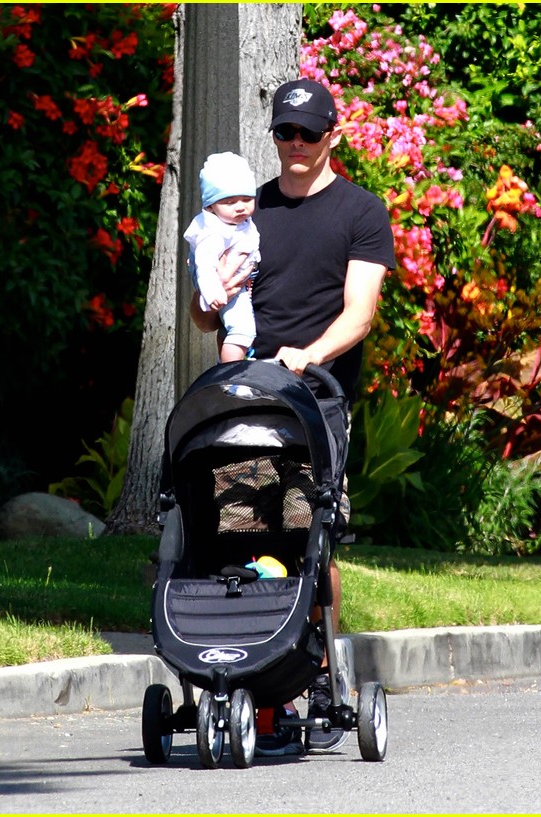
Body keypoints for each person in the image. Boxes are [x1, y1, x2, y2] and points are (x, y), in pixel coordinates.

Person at [190, 77, 397, 756]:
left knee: (311, 534)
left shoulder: (361, 211)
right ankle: (251, 669)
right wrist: (209, 300)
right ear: (274, 136)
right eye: (286, 133)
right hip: (252, 399)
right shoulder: (250, 211)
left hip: (317, 400)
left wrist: (308, 354)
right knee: (242, 525)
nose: (297, 145)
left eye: (310, 133)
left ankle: (325, 666)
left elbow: (360, 311)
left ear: (333, 134)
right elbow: (209, 305)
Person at [183, 151, 261, 363]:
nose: (240, 207)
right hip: (221, 286)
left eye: (246, 199)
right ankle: (231, 375)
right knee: (241, 330)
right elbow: (204, 265)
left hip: (239, 284)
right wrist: (213, 291)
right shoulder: (213, 232)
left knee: (236, 331)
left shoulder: (237, 222)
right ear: (210, 206)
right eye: (229, 202)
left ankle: (235, 369)